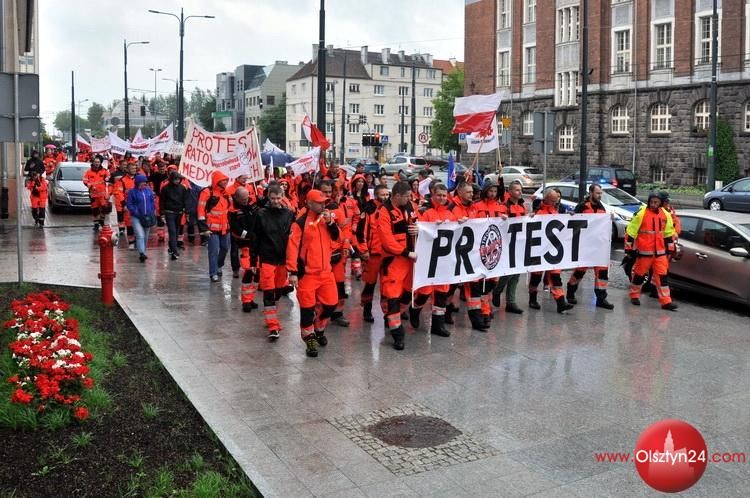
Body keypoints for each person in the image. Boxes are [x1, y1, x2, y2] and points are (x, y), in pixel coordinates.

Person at [286, 189, 340, 357]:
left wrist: (331, 223)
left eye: (324, 202)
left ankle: (319, 329)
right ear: (309, 203)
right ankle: (309, 338)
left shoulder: (327, 219)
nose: (323, 204)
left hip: (326, 273)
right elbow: (292, 248)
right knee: (307, 309)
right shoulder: (300, 223)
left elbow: (337, 237)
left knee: (331, 305)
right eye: (319, 202)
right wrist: (293, 272)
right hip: (307, 275)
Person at [410, 183, 454, 337]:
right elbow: (418, 229)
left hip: (443, 259)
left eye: (444, 195)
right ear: (432, 195)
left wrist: (461, 223)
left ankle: (438, 324)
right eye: (439, 195)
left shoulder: (449, 213)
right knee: (425, 291)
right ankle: (414, 310)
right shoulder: (424, 211)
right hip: (428, 257)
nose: (442, 198)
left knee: (442, 291)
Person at [378, 181, 418, 351]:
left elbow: (417, 222)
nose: (410, 198)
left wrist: (418, 229)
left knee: (408, 294)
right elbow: (387, 240)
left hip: (410, 260)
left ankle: (393, 318)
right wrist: (405, 252)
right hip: (394, 261)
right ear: (397, 196)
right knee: (393, 297)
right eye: (407, 196)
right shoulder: (384, 212)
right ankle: (397, 334)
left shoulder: (409, 206)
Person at [252, 185, 295, 340]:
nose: (275, 201)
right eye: (272, 198)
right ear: (268, 197)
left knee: (277, 291)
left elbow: (294, 238)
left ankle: (272, 317)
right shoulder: (261, 214)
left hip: (282, 259)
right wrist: (253, 260)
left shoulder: (289, 214)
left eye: (278, 198)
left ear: (283, 196)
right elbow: (255, 238)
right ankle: (273, 325)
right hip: (267, 258)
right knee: (269, 291)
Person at [625, 192, 678, 311]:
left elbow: (668, 233)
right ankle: (634, 295)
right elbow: (631, 232)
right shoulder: (641, 214)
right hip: (644, 252)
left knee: (662, 277)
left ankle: (666, 301)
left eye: (656, 202)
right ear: (649, 201)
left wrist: (670, 248)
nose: (654, 204)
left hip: (660, 253)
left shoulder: (665, 214)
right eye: (652, 202)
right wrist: (628, 249)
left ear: (660, 203)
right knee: (639, 275)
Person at [565, 184, 615, 310]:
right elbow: (573, 222)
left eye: (600, 193)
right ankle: (570, 291)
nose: (600, 195)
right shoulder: (582, 206)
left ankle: (601, 299)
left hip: (598, 246)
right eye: (597, 193)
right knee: (580, 272)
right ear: (591, 193)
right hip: (585, 246)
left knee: (602, 273)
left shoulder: (601, 207)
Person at [527, 188, 575, 313]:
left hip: (553, 250)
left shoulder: (555, 211)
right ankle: (532, 298)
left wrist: (569, 218)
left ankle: (560, 301)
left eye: (556, 200)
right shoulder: (539, 213)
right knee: (536, 277)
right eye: (553, 200)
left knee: (555, 276)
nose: (555, 202)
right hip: (539, 250)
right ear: (547, 199)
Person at [356, 184, 389, 323]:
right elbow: (360, 232)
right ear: (376, 195)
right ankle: (367, 309)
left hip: (387, 253)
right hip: (372, 254)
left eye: (387, 194)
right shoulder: (369, 210)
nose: (385, 197)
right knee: (370, 284)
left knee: (387, 285)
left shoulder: (389, 209)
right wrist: (363, 250)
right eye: (382, 195)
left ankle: (388, 313)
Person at [492, 180, 526, 314]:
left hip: (518, 243)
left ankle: (511, 302)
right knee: (507, 272)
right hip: (507, 243)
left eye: (520, 190)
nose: (520, 192)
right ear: (510, 192)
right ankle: (497, 290)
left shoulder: (522, 206)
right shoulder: (504, 206)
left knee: (516, 273)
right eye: (517, 190)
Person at [229, 187, 260, 311]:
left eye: (247, 198)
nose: (246, 200)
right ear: (237, 198)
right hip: (245, 245)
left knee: (257, 273)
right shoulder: (233, 211)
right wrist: (247, 235)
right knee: (248, 271)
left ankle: (251, 298)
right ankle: (246, 301)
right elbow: (235, 230)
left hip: (257, 244)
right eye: (243, 199)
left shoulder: (253, 205)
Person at [197, 171, 232, 282]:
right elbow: (200, 211)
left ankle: (218, 265)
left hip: (225, 228)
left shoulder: (226, 193)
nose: (225, 182)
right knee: (213, 251)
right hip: (211, 229)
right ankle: (213, 273)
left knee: (225, 248)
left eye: (226, 180)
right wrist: (204, 229)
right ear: (217, 180)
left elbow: (229, 210)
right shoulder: (206, 192)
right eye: (223, 180)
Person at [159, 170, 191, 260]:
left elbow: (186, 200)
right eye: (175, 179)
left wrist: (187, 212)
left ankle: (172, 247)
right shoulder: (165, 188)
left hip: (179, 212)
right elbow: (162, 201)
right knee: (172, 231)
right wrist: (162, 213)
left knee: (176, 231)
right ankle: (174, 250)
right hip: (169, 212)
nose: (177, 181)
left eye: (178, 179)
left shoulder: (182, 188)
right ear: (171, 179)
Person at [126, 174, 156, 263]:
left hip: (147, 216)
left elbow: (152, 202)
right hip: (136, 217)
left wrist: (152, 211)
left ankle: (143, 251)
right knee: (140, 235)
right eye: (142, 183)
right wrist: (135, 212)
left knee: (146, 236)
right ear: (138, 183)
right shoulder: (132, 192)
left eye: (145, 183)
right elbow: (129, 204)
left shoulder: (149, 191)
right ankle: (141, 253)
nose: (144, 185)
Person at [82, 155, 111, 231]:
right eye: (95, 162)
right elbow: (85, 180)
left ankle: (102, 220)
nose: (97, 163)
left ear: (100, 162)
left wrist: (107, 178)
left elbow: (109, 176)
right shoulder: (88, 171)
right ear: (93, 162)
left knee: (105, 209)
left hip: (103, 194)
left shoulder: (104, 170)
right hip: (93, 194)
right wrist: (90, 186)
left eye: (98, 162)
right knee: (95, 210)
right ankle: (96, 224)